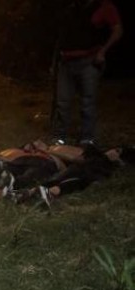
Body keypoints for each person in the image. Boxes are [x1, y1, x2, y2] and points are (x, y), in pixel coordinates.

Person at [50, 0, 123, 146]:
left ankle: (87, 139)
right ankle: (59, 137)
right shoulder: (71, 8)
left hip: (88, 62)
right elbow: (61, 36)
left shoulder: (103, 6)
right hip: (66, 62)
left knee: (88, 102)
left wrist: (103, 51)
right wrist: (55, 62)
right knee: (62, 101)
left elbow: (118, 29)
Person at [12, 145, 133, 208]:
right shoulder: (95, 153)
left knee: (77, 182)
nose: (114, 152)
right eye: (116, 149)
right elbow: (78, 159)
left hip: (89, 174)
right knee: (59, 178)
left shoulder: (109, 168)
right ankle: (30, 192)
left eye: (118, 152)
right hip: (79, 168)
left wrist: (116, 161)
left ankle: (49, 193)